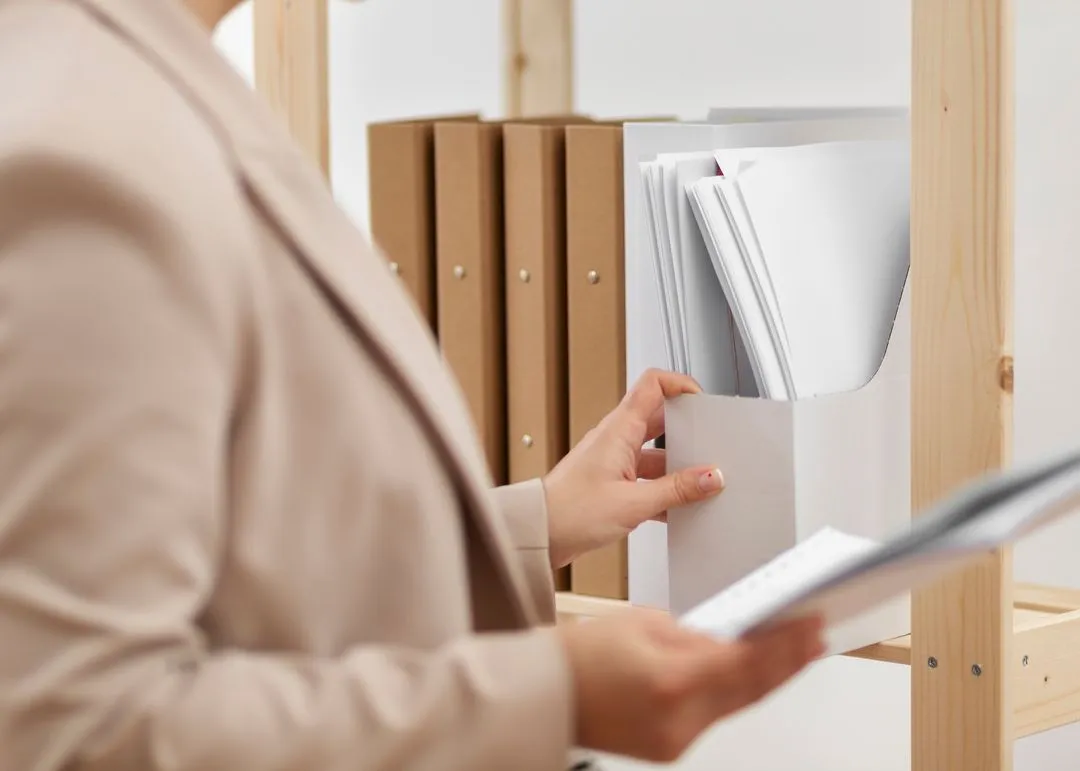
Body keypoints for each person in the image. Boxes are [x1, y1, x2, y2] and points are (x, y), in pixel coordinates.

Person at [0, 0, 825, 768]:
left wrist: (536, 521)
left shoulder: (138, 86)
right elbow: (78, 725)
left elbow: (247, 569)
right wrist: (549, 694)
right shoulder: (91, 150)